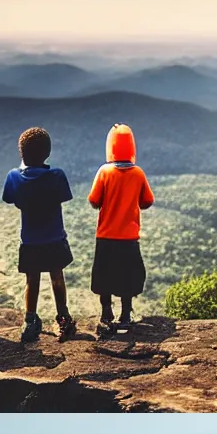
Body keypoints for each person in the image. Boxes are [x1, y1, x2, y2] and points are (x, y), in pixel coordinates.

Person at [3, 126, 76, 344]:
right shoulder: (57, 176)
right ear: (48, 152)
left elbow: (9, 198)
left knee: (31, 280)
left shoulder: (14, 176)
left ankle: (30, 322)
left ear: (22, 153)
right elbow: (64, 195)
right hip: (54, 237)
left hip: (30, 240)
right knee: (57, 276)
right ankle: (63, 318)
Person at [88, 123, 153, 338]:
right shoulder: (138, 173)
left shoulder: (104, 171)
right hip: (128, 237)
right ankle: (126, 314)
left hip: (106, 235)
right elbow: (148, 201)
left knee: (104, 275)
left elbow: (94, 200)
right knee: (128, 276)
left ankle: (106, 313)